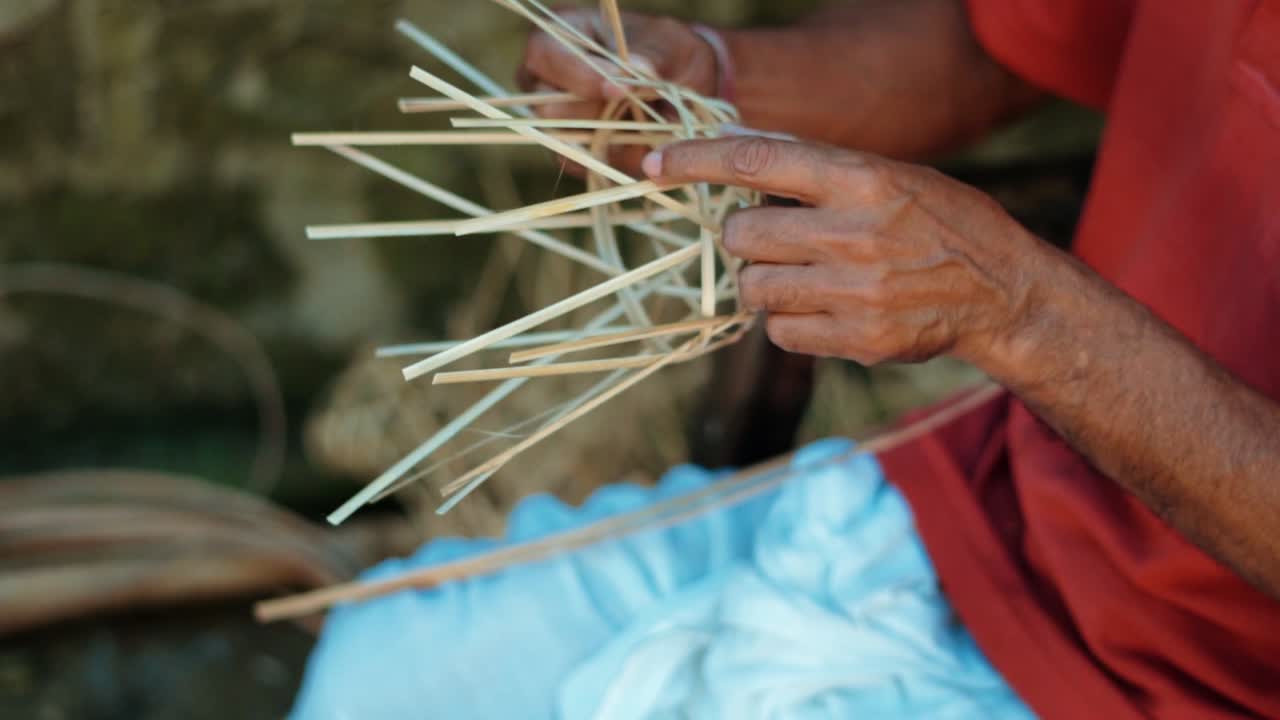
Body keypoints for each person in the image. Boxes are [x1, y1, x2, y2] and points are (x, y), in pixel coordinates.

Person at [290, 1, 1280, 718]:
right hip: (970, 502)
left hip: (1181, 685)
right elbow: (995, 44)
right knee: (380, 677)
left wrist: (1021, 312)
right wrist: (712, 78)